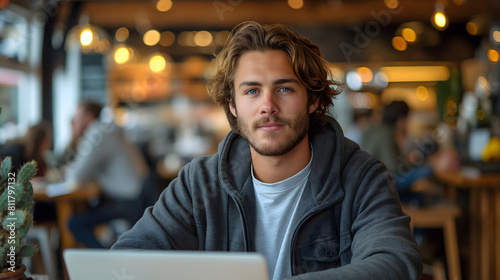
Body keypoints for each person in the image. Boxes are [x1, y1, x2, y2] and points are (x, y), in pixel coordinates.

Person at [112, 21, 422, 279]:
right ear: (233, 105)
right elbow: (124, 263)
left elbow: (395, 264)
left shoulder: (361, 177)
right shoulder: (200, 184)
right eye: (252, 91)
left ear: (313, 100)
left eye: (284, 88)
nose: (268, 106)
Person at [64, 102, 148, 248]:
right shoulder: (109, 130)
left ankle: (106, 262)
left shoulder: (97, 134)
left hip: (127, 202)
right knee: (88, 211)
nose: (73, 122)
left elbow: (76, 177)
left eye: (76, 117)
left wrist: (65, 172)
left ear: (88, 118)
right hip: (140, 197)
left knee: (74, 223)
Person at [362, 101, 434, 205]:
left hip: (370, 183)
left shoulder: (373, 129)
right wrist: (413, 162)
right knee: (428, 169)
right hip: (383, 183)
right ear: (401, 119)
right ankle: (408, 198)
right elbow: (394, 167)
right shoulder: (387, 133)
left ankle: (410, 198)